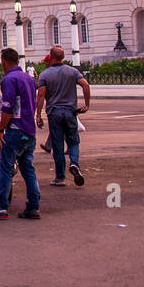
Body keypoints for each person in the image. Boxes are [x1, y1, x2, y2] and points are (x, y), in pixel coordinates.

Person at [0, 48, 41, 220]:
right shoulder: (29, 79)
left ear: (4, 62)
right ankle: (33, 206)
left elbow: (8, 107)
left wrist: (0, 128)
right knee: (28, 168)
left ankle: (0, 205)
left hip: (15, 129)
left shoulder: (9, 79)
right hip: (29, 131)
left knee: (5, 167)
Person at [36, 45, 91, 186]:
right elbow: (85, 85)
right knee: (73, 142)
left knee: (58, 145)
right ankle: (74, 164)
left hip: (54, 112)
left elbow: (41, 95)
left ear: (51, 56)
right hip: (70, 111)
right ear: (63, 57)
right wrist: (86, 104)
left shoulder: (45, 74)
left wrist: (38, 115)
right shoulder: (72, 72)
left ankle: (60, 177)